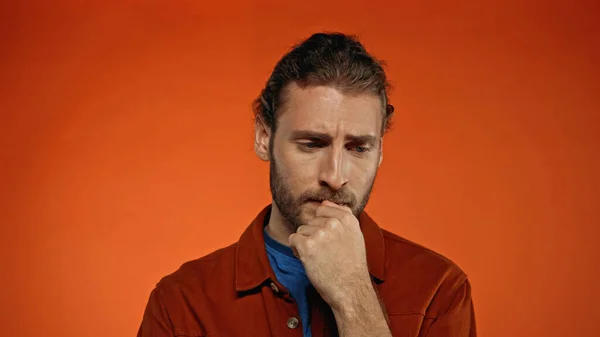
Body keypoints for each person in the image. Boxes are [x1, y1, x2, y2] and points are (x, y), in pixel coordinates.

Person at [137, 32, 477, 337]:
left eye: (358, 148)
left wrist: (352, 295)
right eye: (312, 144)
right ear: (264, 137)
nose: (335, 175)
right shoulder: (181, 302)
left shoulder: (440, 290)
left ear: (380, 152)